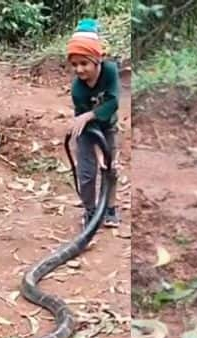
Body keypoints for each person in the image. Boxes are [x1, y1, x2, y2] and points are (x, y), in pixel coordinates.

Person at [66, 18, 121, 228]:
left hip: (107, 126)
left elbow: (114, 101)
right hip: (87, 132)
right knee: (87, 173)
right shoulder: (78, 89)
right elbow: (87, 125)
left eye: (84, 63)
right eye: (74, 65)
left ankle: (109, 208)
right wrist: (99, 153)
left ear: (97, 60)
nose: (79, 70)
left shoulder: (110, 72)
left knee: (110, 169)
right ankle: (90, 211)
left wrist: (89, 115)